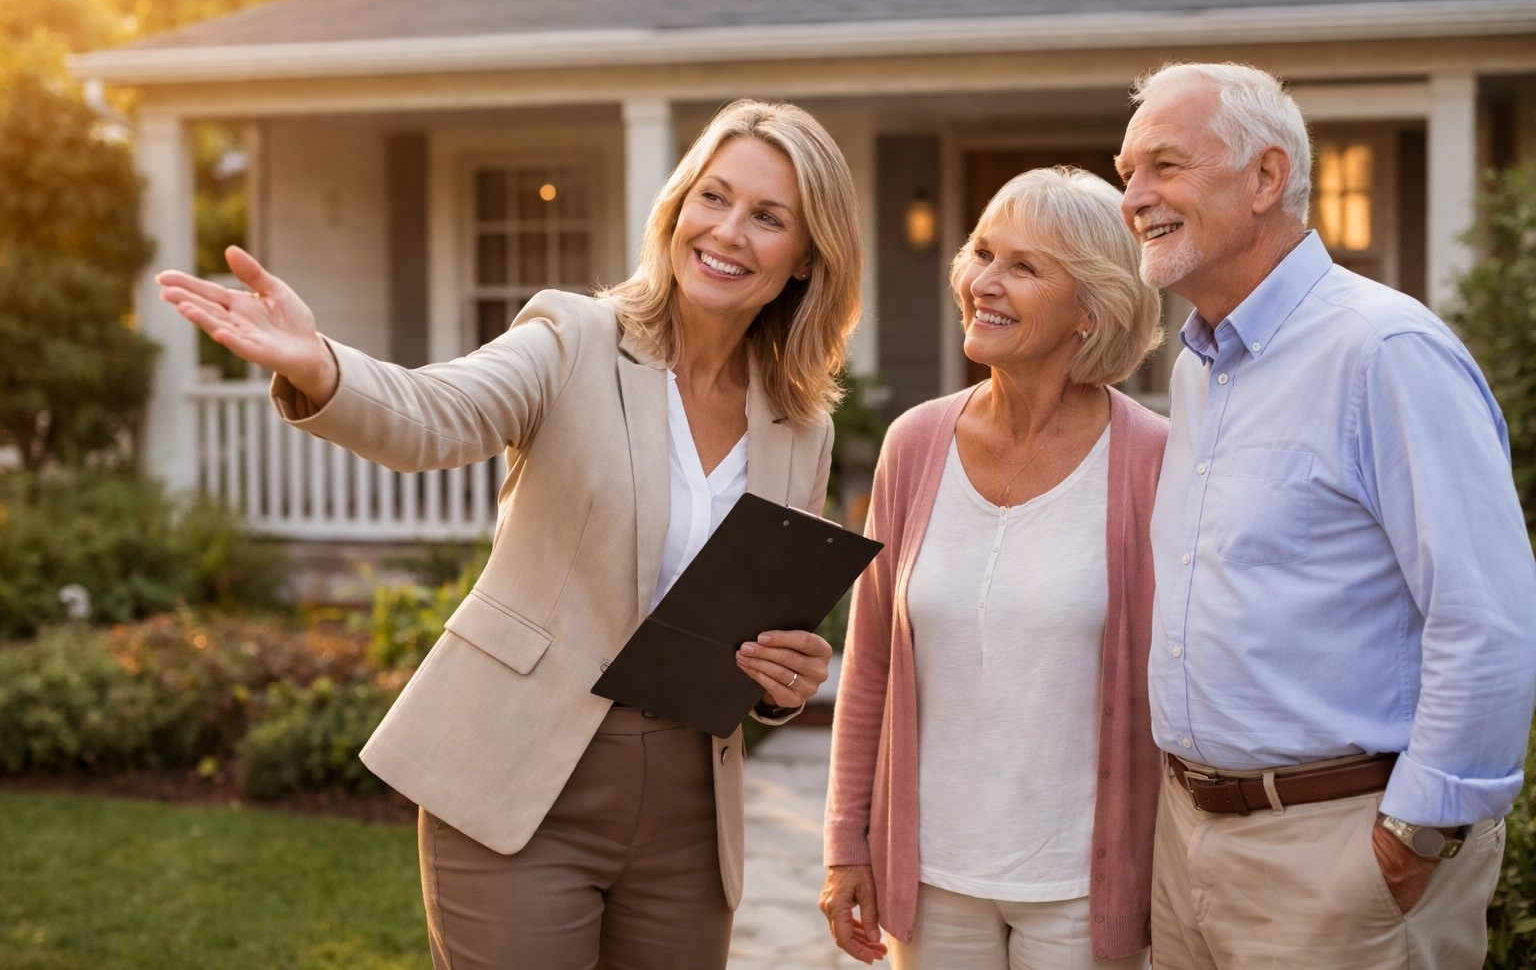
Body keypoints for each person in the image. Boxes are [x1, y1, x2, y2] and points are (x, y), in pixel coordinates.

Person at [156, 99, 865, 970]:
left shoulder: (800, 426)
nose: (726, 231)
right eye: (711, 197)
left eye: (768, 217)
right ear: (677, 207)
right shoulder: (574, 338)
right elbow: (435, 414)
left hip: (688, 810)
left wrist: (784, 683)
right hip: (518, 780)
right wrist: (321, 365)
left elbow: (764, 617)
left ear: (806, 260)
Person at [1115, 61, 1536, 970]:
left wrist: (1413, 838)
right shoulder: (1197, 371)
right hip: (1189, 841)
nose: (1134, 197)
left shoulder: (1386, 352)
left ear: (1267, 178)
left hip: (1341, 855)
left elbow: (1486, 614)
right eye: (1127, 174)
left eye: (1163, 166)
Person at [821, 166, 1168, 969]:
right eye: (982, 252)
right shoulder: (913, 445)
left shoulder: (1150, 459)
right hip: (931, 876)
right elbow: (870, 660)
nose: (984, 282)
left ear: (1091, 307)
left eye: (1024, 266)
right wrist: (847, 843)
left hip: (1083, 883)